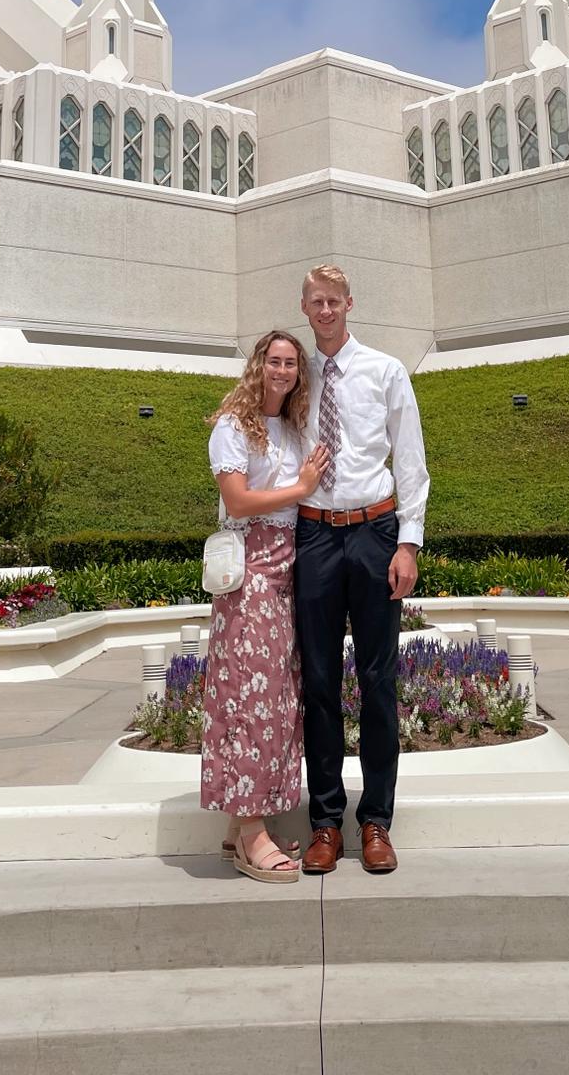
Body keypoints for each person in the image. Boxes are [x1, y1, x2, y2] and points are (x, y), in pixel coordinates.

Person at [294, 264, 430, 876]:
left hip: (374, 534)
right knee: (319, 683)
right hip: (314, 536)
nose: (325, 310)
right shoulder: (293, 376)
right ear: (304, 306)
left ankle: (375, 820)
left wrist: (409, 544)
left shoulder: (385, 371)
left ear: (351, 303)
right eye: (315, 301)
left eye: (333, 301)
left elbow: (411, 461)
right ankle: (325, 823)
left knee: (378, 683)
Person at [201, 328, 332, 884]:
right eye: (275, 361)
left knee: (274, 697)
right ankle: (252, 830)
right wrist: (300, 488)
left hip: (287, 568)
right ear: (259, 365)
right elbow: (236, 499)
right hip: (251, 571)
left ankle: (241, 826)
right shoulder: (233, 425)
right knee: (249, 696)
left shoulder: (294, 429)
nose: (282, 371)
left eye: (291, 364)